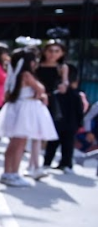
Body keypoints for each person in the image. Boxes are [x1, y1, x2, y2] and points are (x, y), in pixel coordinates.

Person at [0, 44, 59, 185]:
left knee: (13, 143)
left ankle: (7, 172)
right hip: (25, 111)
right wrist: (41, 94)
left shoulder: (14, 75)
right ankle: (13, 174)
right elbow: (40, 89)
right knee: (19, 144)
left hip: (16, 109)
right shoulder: (26, 75)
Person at [37, 38, 84, 173]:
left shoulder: (63, 68)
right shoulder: (37, 66)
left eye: (57, 51)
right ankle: (44, 162)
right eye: (50, 50)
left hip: (61, 105)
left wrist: (63, 86)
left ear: (62, 53)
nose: (53, 54)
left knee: (65, 134)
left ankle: (66, 163)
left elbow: (67, 85)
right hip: (40, 102)